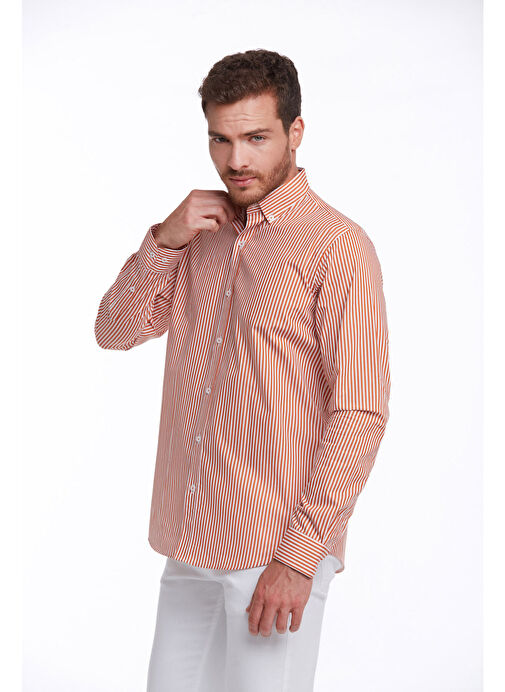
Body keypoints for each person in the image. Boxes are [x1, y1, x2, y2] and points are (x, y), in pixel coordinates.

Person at [94, 48, 391, 692]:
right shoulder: (198, 233)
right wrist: (164, 239)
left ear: (295, 131)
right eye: (220, 140)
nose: (236, 161)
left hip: (273, 549)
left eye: (256, 138)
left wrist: (300, 556)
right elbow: (113, 332)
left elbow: (360, 411)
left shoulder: (337, 247)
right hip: (191, 540)